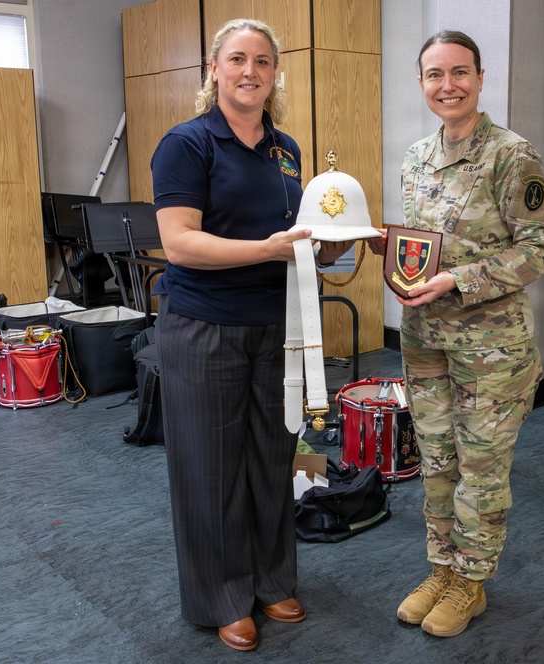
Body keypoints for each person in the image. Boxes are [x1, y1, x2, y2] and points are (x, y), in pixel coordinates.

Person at [150, 18, 351, 652]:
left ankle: (269, 580)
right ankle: (223, 596)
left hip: (278, 326)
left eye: (262, 61)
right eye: (237, 59)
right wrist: (265, 250)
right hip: (204, 326)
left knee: (271, 457)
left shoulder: (286, 150)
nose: (250, 71)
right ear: (214, 69)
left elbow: (296, 236)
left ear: (273, 73)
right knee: (210, 466)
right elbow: (180, 243)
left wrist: (333, 251)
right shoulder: (186, 144)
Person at [378, 30, 544, 638]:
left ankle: (471, 582)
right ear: (422, 84)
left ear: (481, 79)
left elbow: (540, 248)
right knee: (436, 460)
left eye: (459, 72)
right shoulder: (415, 156)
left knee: (481, 468)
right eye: (434, 75)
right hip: (425, 338)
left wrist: (459, 277)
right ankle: (440, 568)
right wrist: (381, 247)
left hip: (492, 348)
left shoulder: (513, 155)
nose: (447, 85)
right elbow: (421, 247)